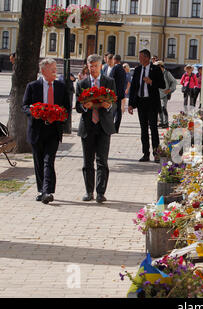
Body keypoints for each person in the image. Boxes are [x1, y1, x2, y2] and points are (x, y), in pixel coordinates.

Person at [22, 59, 71, 204]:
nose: (56, 72)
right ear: (43, 71)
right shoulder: (32, 86)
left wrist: (60, 115)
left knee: (49, 160)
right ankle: (42, 190)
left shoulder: (61, 87)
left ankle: (47, 191)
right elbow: (24, 106)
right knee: (39, 161)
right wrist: (33, 112)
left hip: (53, 130)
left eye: (56, 69)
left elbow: (66, 108)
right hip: (37, 130)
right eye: (52, 69)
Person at [75, 54, 117, 203]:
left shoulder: (109, 82)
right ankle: (88, 192)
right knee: (87, 162)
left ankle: (100, 192)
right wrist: (84, 107)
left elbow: (115, 102)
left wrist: (109, 106)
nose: (92, 69)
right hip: (87, 127)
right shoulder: (82, 83)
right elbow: (78, 107)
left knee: (102, 161)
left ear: (101, 66)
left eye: (95, 66)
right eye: (90, 66)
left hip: (103, 126)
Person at [128, 49, 165, 163]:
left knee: (153, 128)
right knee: (143, 129)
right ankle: (145, 153)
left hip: (151, 103)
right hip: (141, 103)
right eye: (139, 57)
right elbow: (134, 87)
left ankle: (156, 154)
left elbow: (163, 84)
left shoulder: (156, 69)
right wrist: (130, 104)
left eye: (141, 57)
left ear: (147, 58)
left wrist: (151, 82)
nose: (139, 59)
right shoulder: (138, 69)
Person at [154, 61, 177, 128]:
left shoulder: (167, 73)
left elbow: (174, 82)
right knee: (159, 108)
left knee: (164, 108)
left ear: (161, 67)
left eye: (158, 67)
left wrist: (170, 90)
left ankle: (166, 123)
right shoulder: (156, 73)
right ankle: (161, 122)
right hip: (157, 94)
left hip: (165, 94)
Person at [109, 54, 126, 133]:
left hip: (114, 93)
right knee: (118, 111)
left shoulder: (115, 68)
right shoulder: (123, 69)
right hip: (121, 92)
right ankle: (116, 127)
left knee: (112, 110)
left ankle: (111, 127)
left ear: (115, 60)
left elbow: (110, 80)